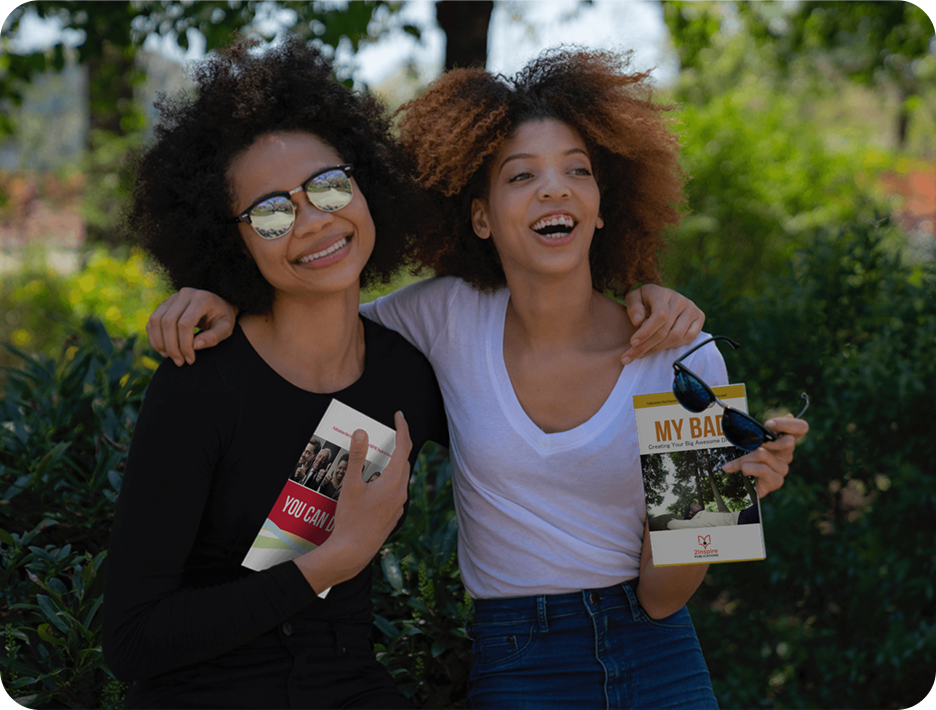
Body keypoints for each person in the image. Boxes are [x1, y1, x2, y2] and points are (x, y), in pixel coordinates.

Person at [144, 48, 807, 709]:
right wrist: (226, 296)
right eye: (522, 176)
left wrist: (721, 497)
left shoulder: (687, 358)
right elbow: (319, 312)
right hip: (519, 660)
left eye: (578, 170)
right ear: (482, 216)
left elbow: (664, 595)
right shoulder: (443, 318)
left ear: (603, 205)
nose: (555, 188)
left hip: (660, 655)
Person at [102, 37, 450, 710]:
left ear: (365, 183)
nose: (314, 221)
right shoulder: (200, 383)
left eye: (327, 185)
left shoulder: (407, 376)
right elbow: (132, 643)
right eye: (271, 211)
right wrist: (330, 561)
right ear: (227, 239)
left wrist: (652, 315)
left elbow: (540, 450)